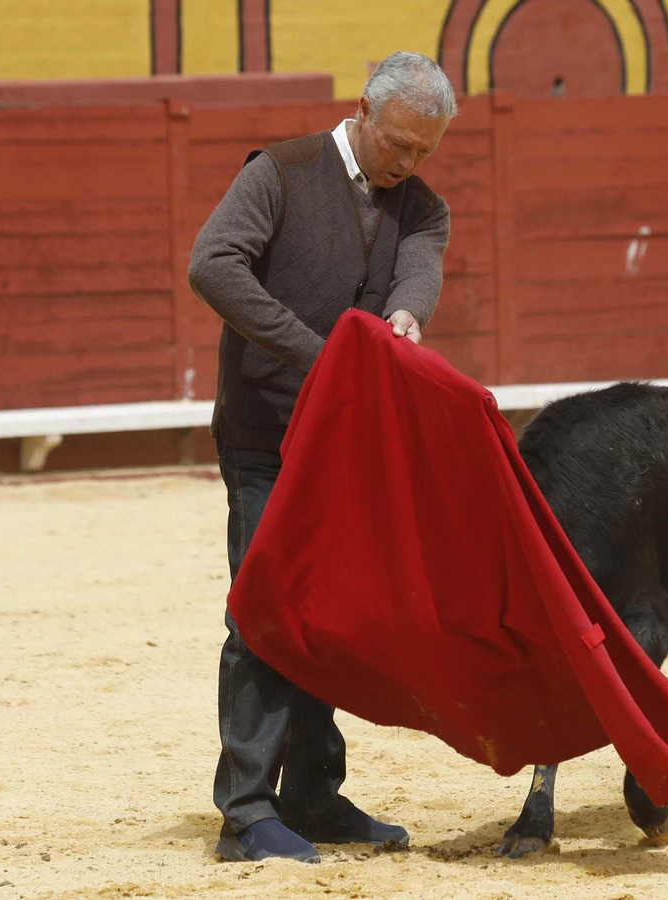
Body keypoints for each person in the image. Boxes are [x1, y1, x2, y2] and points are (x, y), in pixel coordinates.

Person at [186, 50, 456, 864]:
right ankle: (245, 812)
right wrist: (319, 352)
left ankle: (311, 794)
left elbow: (418, 272)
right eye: (399, 145)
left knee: (329, 622)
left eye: (424, 152)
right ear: (364, 113)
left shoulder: (422, 206)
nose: (407, 164)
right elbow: (213, 265)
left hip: (348, 446)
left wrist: (407, 319)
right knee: (266, 612)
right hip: (267, 438)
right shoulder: (279, 171)